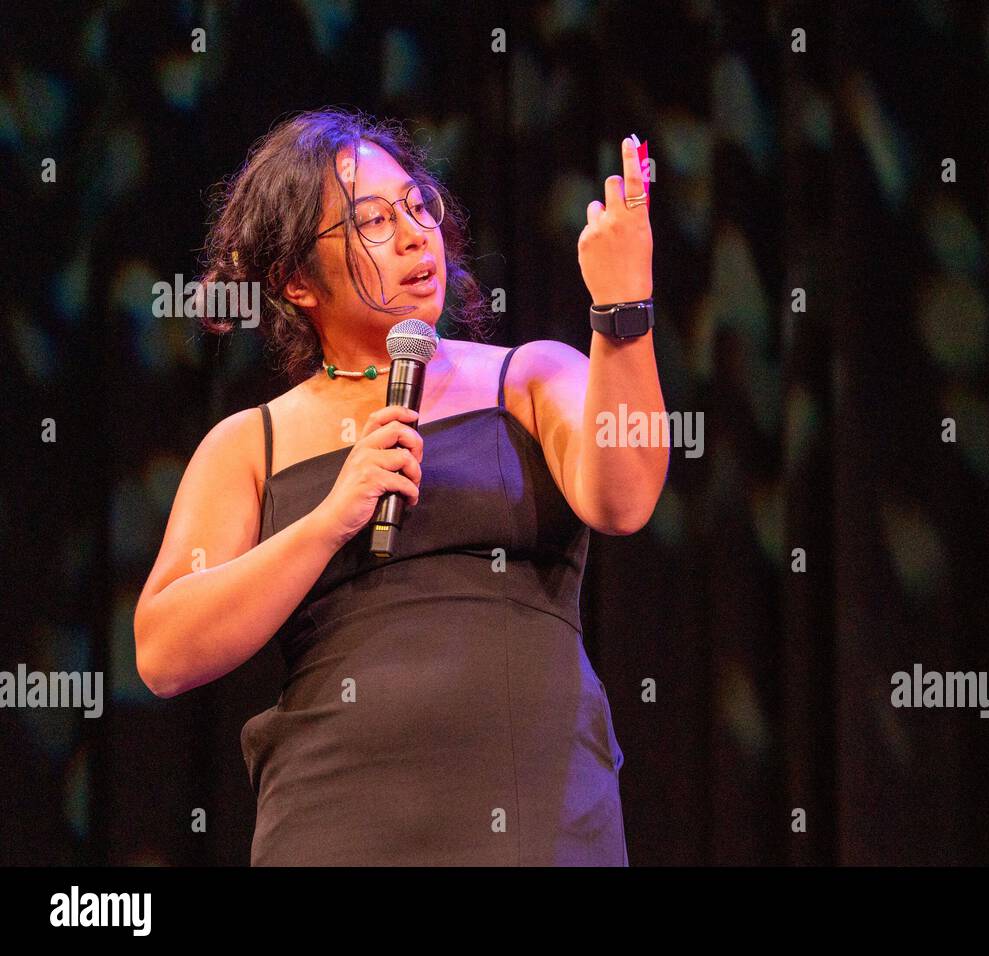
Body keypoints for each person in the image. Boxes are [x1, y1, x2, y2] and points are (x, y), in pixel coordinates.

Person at [132, 108, 668, 865]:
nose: (417, 234)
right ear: (295, 280)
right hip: (337, 820)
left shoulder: (530, 378)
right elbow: (163, 651)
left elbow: (625, 498)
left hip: (533, 812)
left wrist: (621, 312)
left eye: (418, 205)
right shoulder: (251, 443)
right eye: (372, 221)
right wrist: (327, 521)